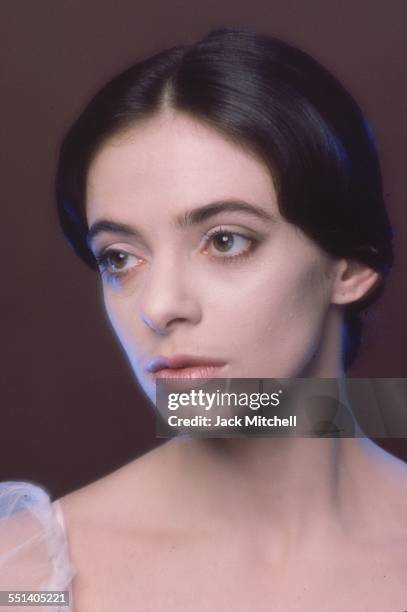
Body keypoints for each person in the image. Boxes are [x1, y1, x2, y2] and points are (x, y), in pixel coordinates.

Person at [1, 26, 406, 612]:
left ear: (350, 266)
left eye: (224, 241)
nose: (160, 305)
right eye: (120, 258)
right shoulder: (28, 576)